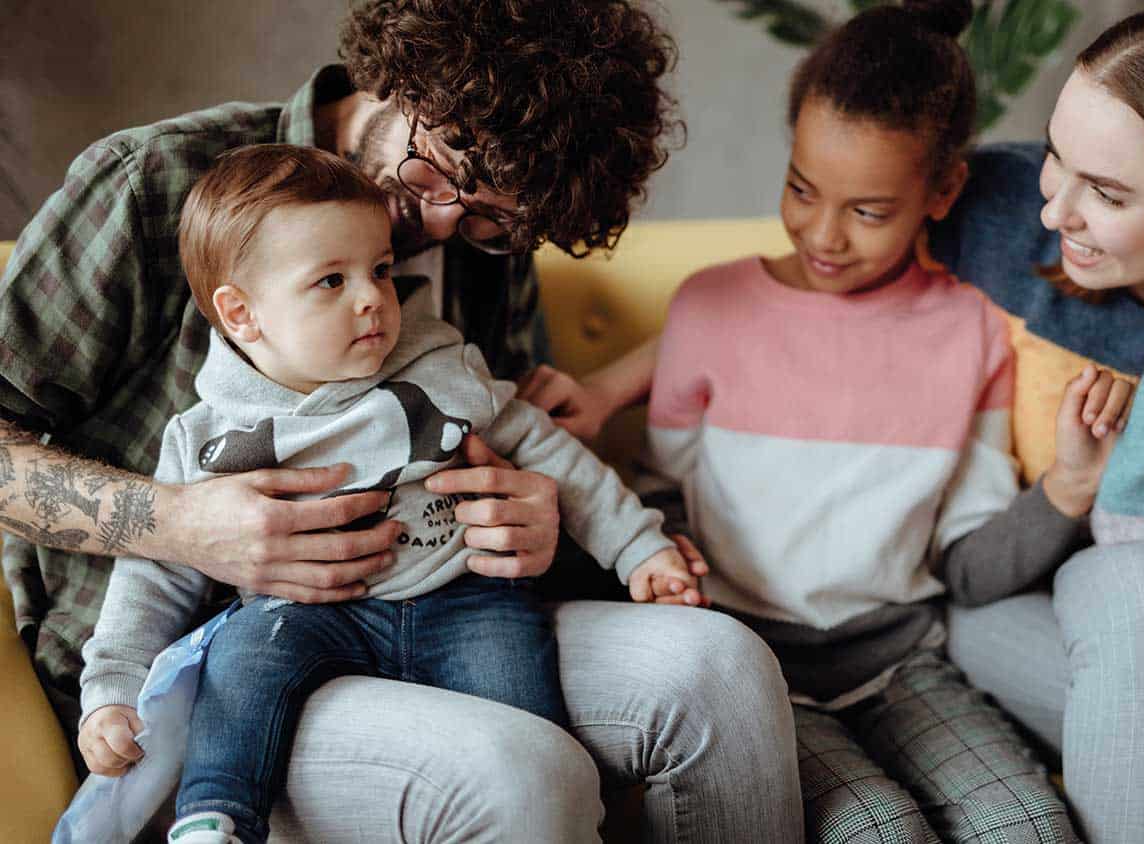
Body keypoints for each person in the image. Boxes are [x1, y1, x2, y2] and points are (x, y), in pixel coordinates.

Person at [530, 4, 1144, 842]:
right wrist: (610, 388)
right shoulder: (1005, 203)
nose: (1056, 215)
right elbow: (783, 307)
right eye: (1060, 158)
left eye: (1110, 193)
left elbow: (1143, 520)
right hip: (1006, 588)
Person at [0, 2, 801, 841]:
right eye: (446, 166)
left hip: (446, 608)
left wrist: (539, 520)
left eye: (494, 215)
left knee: (727, 669)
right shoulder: (155, 183)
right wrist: (182, 522)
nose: (450, 221)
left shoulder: (486, 253)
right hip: (210, 662)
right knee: (517, 768)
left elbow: (515, 446)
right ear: (402, 71)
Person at [75, 145, 708, 844]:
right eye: (329, 282)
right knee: (242, 662)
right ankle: (215, 816)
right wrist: (111, 693)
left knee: (529, 725)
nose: (373, 297)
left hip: (465, 601)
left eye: (378, 269)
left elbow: (554, 457)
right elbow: (153, 570)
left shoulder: (439, 367)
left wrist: (641, 549)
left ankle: (566, 818)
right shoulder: (210, 435)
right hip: (305, 610)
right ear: (242, 313)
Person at [641, 3, 1091, 840]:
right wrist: (673, 573)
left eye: (869, 212)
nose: (823, 234)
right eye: (801, 190)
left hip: (904, 663)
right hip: (753, 667)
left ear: (943, 191)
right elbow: (660, 492)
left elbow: (967, 560)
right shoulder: (707, 307)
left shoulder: (974, 331)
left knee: (1028, 827)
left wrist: (1066, 490)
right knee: (880, 831)